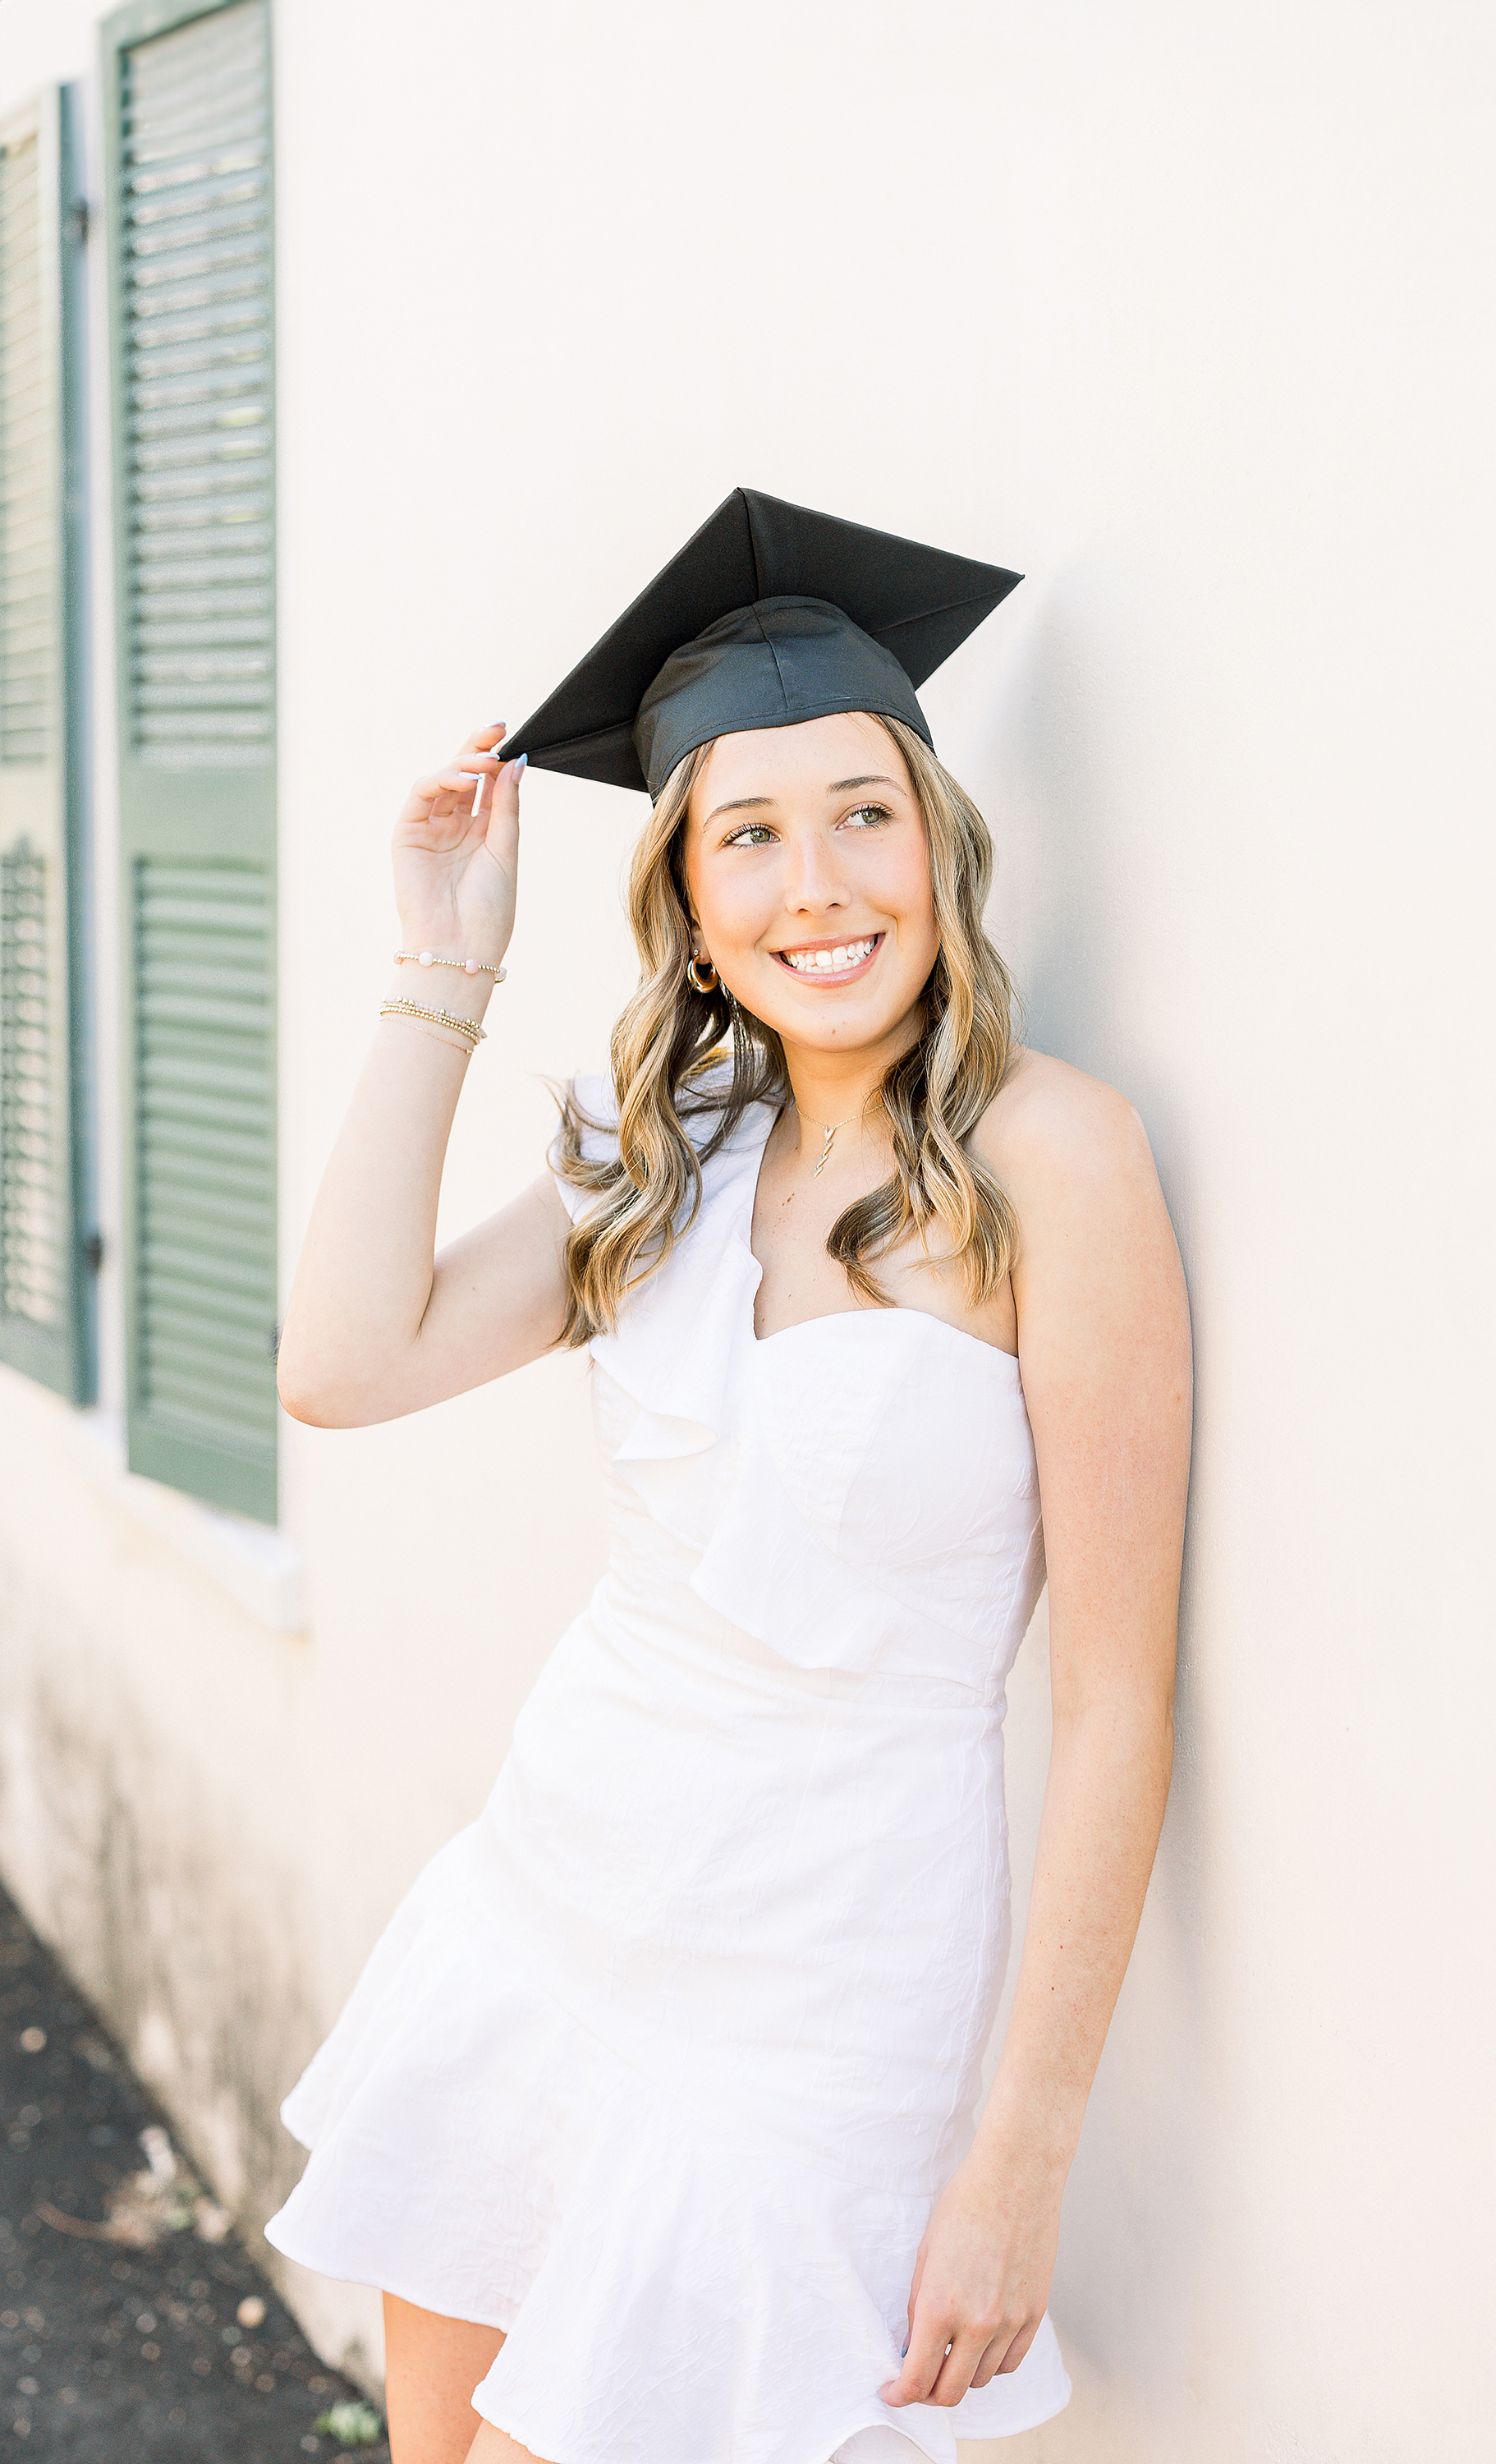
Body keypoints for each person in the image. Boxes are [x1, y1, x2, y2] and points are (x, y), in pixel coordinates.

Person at [264, 492, 1191, 2464]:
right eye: (743, 835)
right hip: (555, 1894)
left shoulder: (1061, 1160)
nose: (815, 882)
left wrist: (1020, 2153)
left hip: (822, 1997)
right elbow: (343, 1369)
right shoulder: (673, 1132)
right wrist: (444, 964)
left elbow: (1116, 1700)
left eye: (862, 810)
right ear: (685, 893)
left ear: (937, 840)